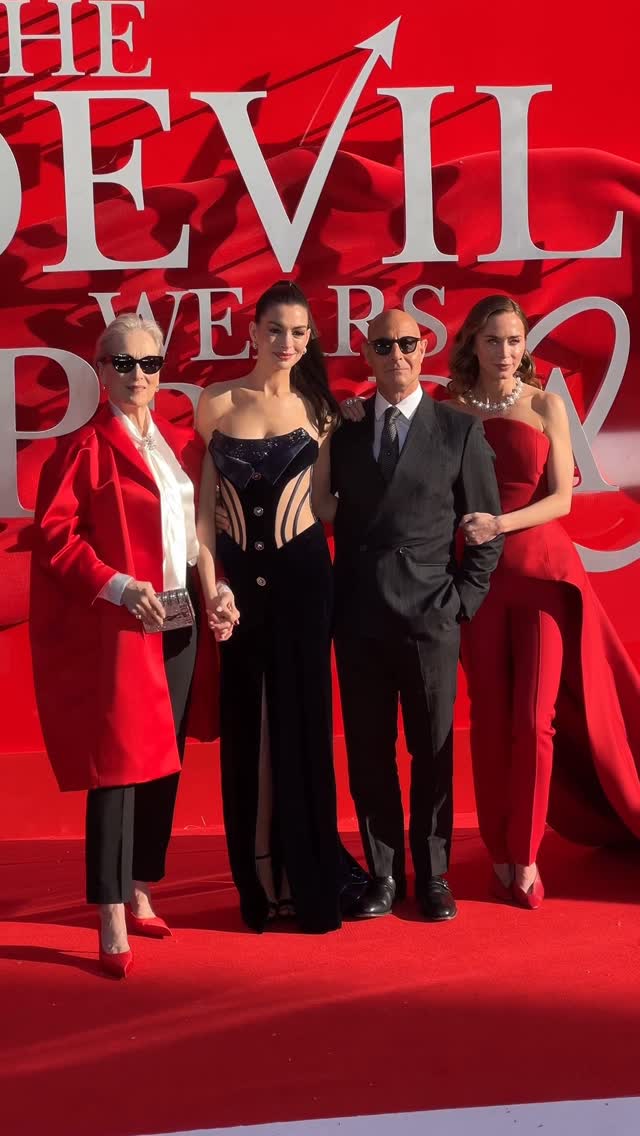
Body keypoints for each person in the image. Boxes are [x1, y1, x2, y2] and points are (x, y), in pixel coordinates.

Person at [29, 314, 216, 978]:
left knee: (164, 758)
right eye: (125, 364)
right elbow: (54, 537)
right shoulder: (85, 447)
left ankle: (141, 885)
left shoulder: (177, 445)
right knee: (119, 765)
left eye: (150, 363)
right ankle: (108, 908)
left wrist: (212, 589)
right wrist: (114, 585)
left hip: (180, 615)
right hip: (125, 622)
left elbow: (195, 536)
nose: (139, 375)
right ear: (101, 372)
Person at [442, 294, 640, 908]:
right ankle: (499, 850)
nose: (505, 353)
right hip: (477, 582)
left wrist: (498, 526)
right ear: (472, 344)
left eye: (514, 341)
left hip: (544, 575)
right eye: (493, 340)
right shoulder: (447, 412)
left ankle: (526, 856)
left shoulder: (547, 403)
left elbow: (561, 500)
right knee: (491, 720)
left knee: (535, 720)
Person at [322, 308, 504, 921]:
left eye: (406, 342)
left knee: (433, 749)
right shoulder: (342, 431)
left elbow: (485, 530)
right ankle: (382, 874)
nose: (395, 353)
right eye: (382, 344)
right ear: (367, 355)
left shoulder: (458, 430)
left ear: (423, 351)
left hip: (431, 618)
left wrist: (461, 604)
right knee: (369, 751)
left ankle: (434, 873)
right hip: (360, 617)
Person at [196, 280, 365, 934]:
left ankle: (307, 879)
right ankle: (259, 884)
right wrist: (214, 586)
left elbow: (324, 509)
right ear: (253, 331)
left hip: (303, 582)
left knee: (301, 729)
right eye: (275, 330)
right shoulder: (214, 404)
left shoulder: (323, 411)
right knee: (247, 733)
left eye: (299, 332)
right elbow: (205, 517)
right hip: (237, 589)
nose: (287, 343)